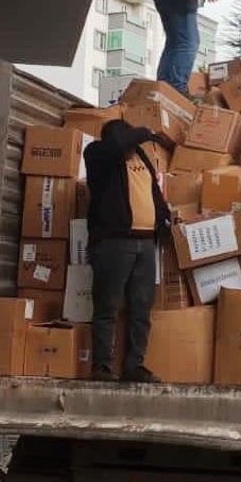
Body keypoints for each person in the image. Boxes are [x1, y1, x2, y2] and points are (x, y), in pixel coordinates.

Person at [83, 119, 174, 382]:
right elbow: (118, 145)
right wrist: (144, 132)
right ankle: (102, 367)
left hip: (146, 243)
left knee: (141, 308)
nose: (133, 146)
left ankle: (134, 365)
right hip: (114, 243)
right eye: (128, 139)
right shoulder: (99, 155)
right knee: (107, 306)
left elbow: (153, 191)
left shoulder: (140, 156)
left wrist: (163, 218)